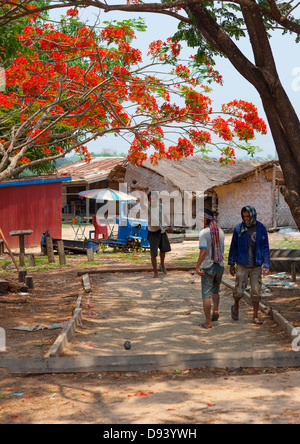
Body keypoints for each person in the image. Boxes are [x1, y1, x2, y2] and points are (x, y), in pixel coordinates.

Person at [228, 205, 270, 325]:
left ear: (253, 215)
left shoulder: (261, 228)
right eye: (244, 216)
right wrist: (231, 264)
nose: (246, 218)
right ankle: (236, 305)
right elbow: (233, 247)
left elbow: (266, 247)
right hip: (242, 264)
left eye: (248, 216)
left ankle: (255, 316)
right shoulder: (238, 229)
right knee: (239, 290)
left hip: (256, 265)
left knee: (256, 291)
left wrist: (266, 264)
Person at [196, 209, 225, 329]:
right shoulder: (220, 231)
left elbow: (203, 252)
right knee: (216, 290)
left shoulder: (204, 233)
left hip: (208, 267)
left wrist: (197, 266)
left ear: (204, 219)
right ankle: (216, 311)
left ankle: (208, 322)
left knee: (206, 295)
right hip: (220, 266)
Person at [147, 191, 171, 278]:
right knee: (153, 253)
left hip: (162, 231)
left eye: (154, 198)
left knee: (163, 250)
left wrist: (168, 225)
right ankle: (155, 271)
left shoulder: (161, 206)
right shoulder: (147, 208)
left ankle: (162, 264)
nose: (152, 200)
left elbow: (164, 216)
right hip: (153, 232)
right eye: (150, 199)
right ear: (148, 200)